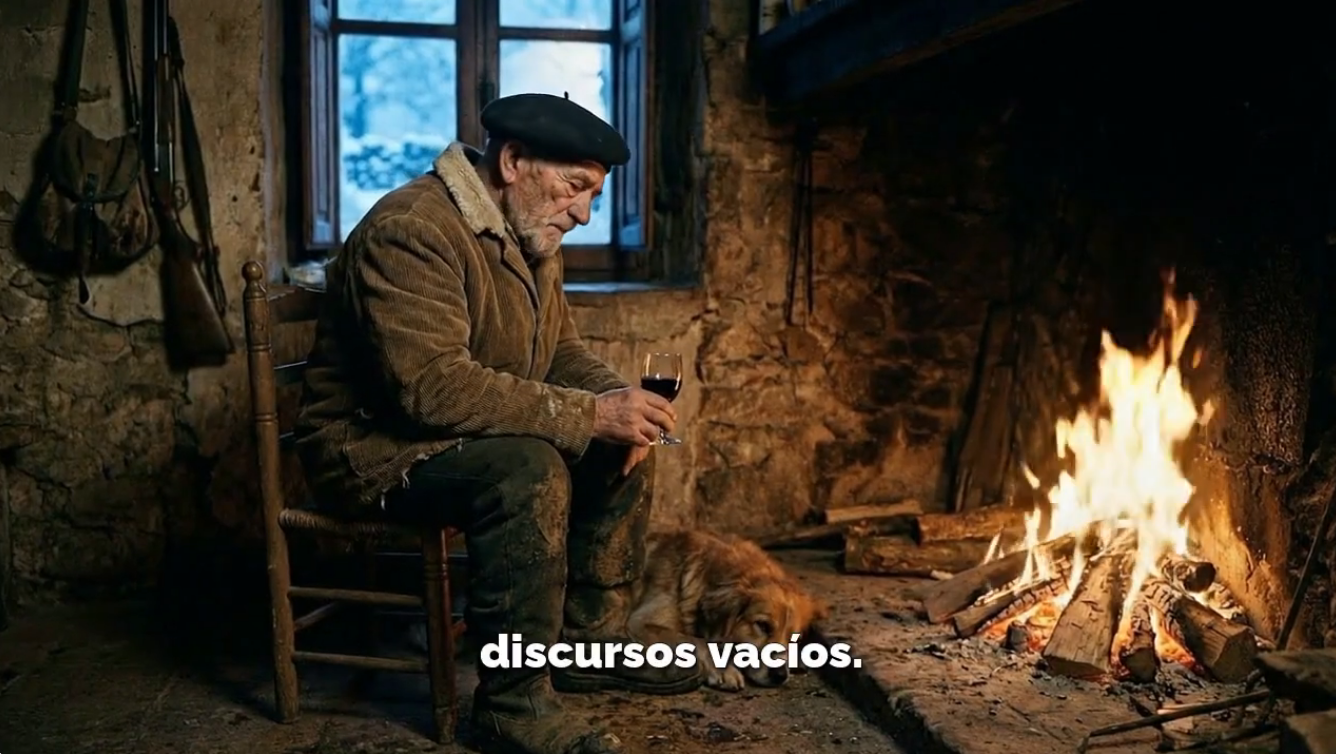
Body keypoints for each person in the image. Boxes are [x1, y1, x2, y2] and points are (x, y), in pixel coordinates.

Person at [294, 93, 703, 754]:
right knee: (526, 470)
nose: (584, 213)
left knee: (621, 442)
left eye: (595, 196)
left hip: (455, 434)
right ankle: (513, 707)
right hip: (372, 451)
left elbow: (560, 353)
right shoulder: (412, 229)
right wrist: (591, 415)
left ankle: (586, 643)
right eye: (575, 187)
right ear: (512, 162)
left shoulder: (531, 233)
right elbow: (430, 390)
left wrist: (617, 402)